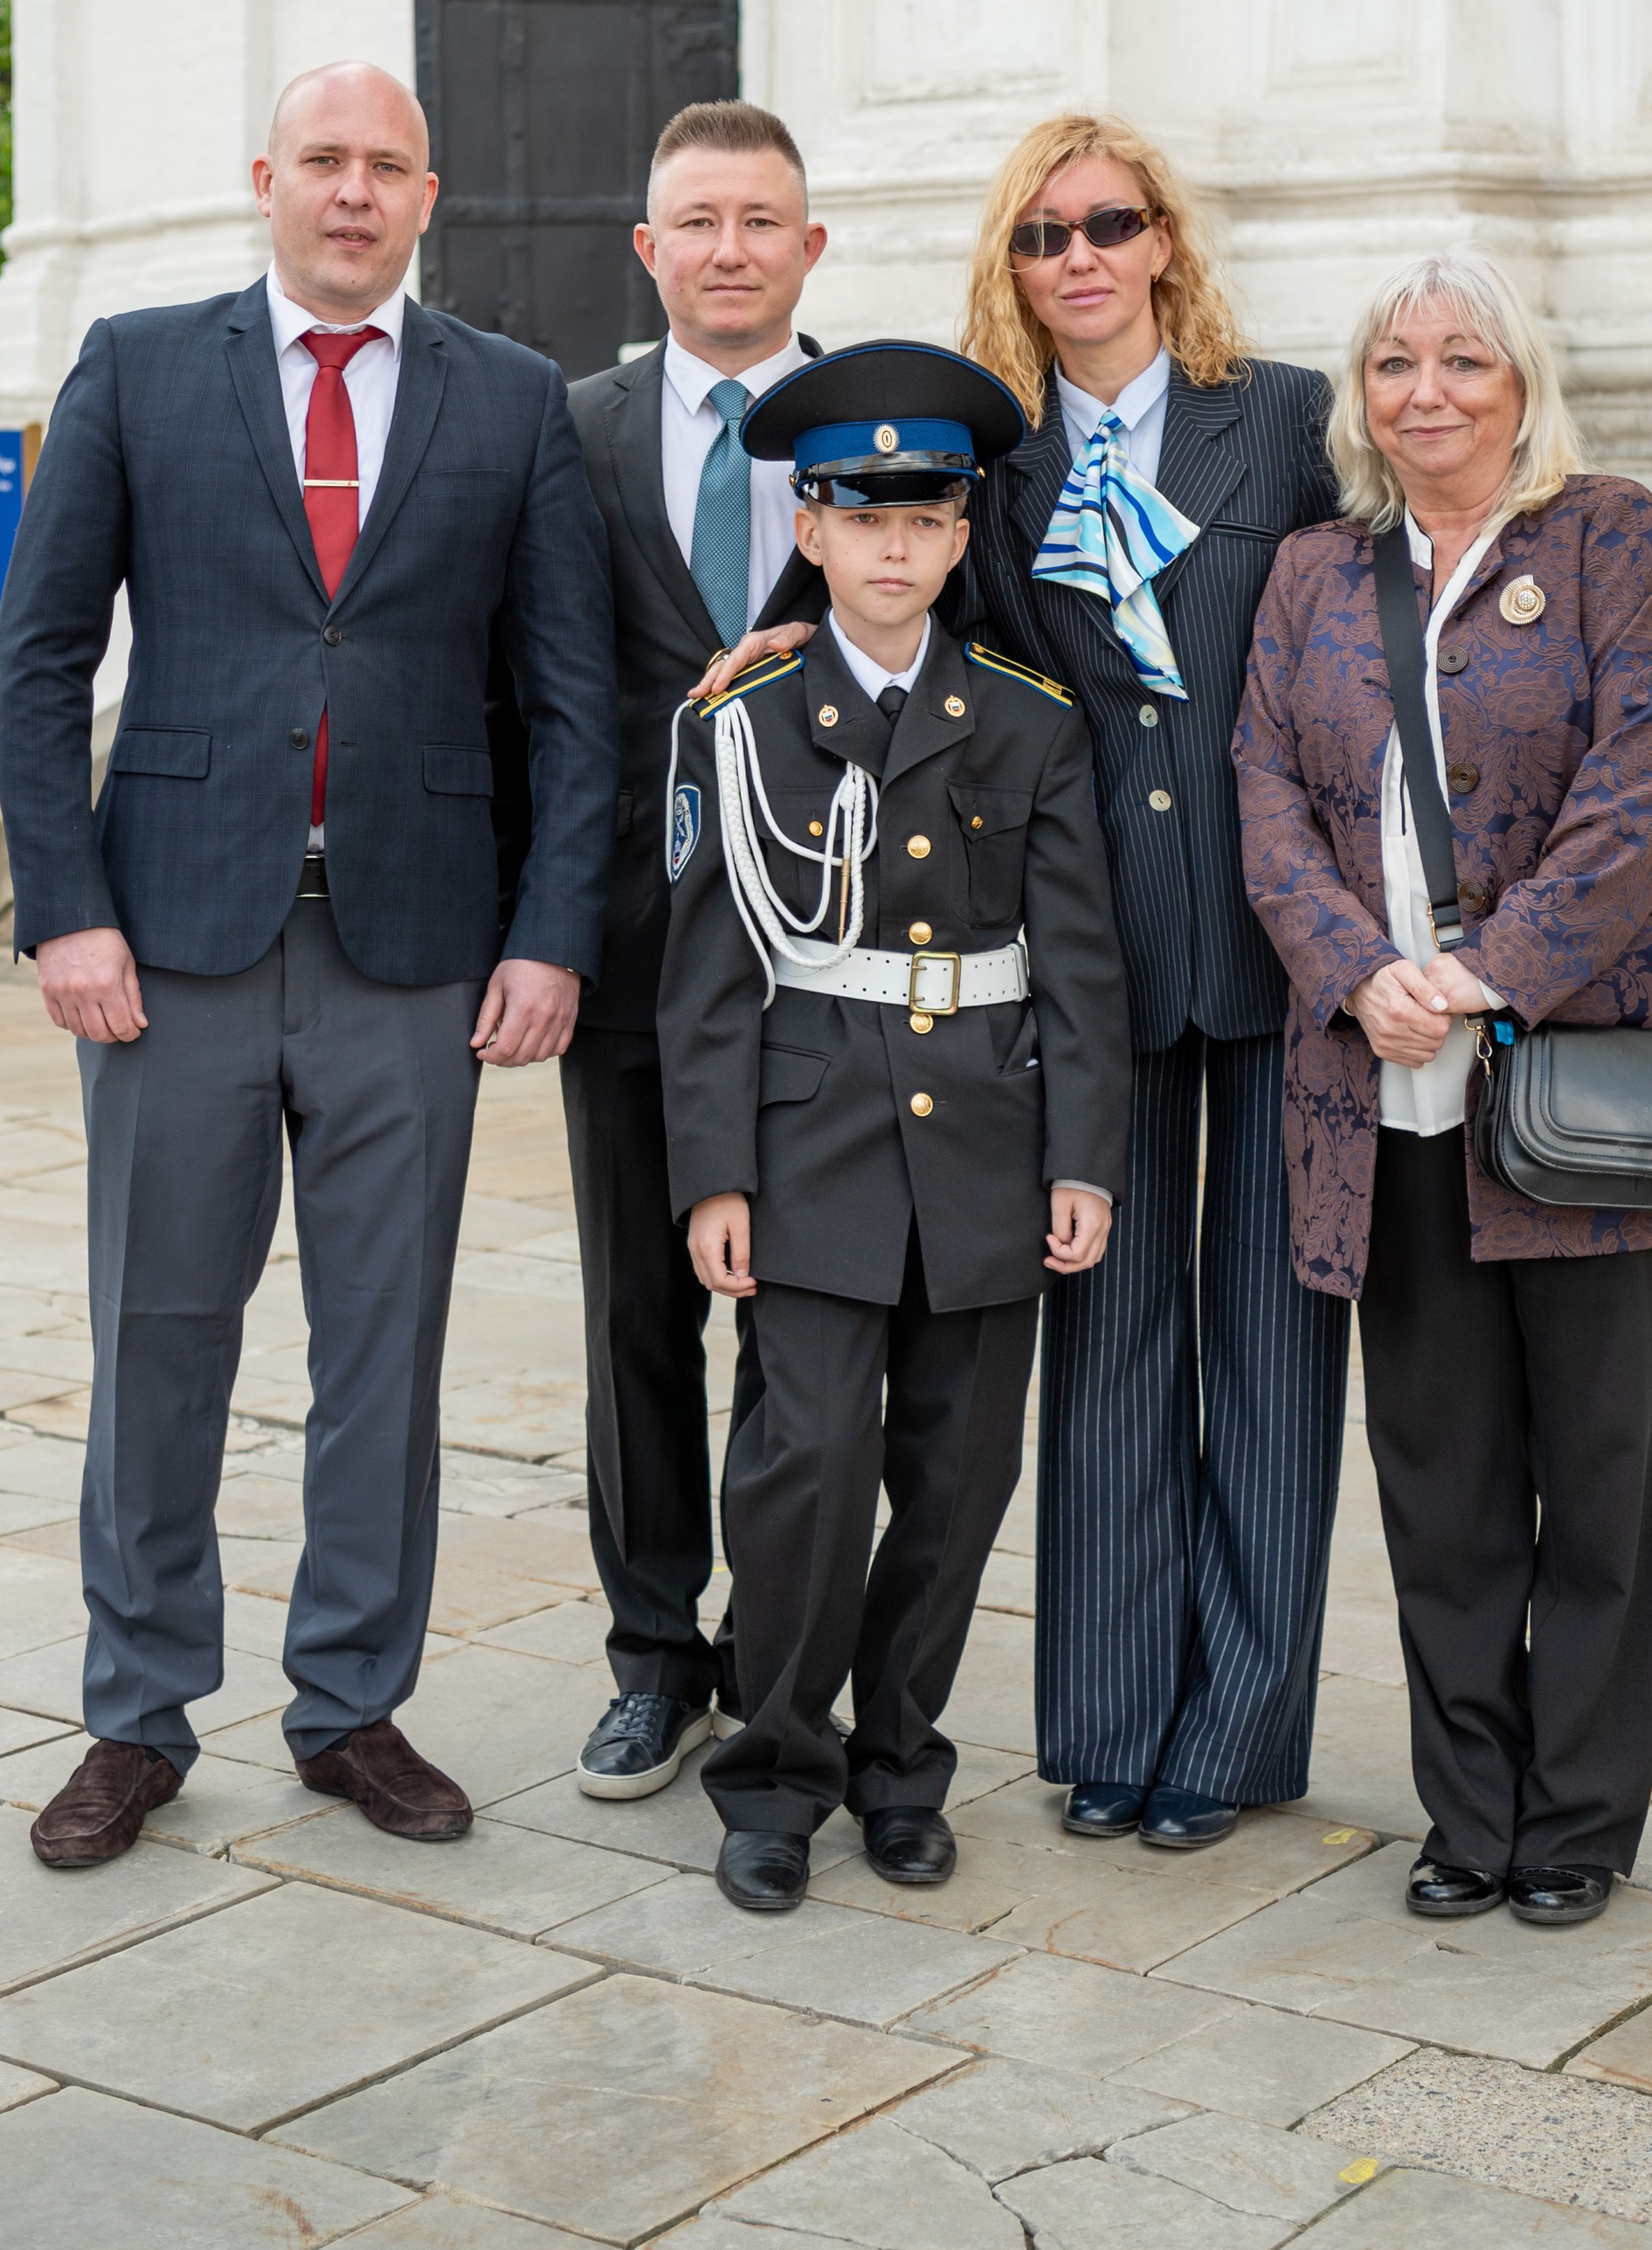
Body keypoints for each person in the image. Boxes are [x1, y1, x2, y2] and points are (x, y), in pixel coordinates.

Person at [0, 61, 616, 1871]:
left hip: (413, 952)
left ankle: (348, 1700)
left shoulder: (510, 403)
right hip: (167, 941)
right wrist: (64, 904)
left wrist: (548, 931)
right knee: (157, 1339)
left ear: (432, 196)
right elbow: (38, 659)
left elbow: (572, 706)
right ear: (265, 177)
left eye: (387, 167)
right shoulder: (137, 365)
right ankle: (135, 1715)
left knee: (382, 1351)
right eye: (322, 161)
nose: (352, 192)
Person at [1234, 252, 1652, 1928]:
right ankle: (1468, 1810)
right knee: (1441, 1474)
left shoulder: (1605, 531)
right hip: (1386, 1091)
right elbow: (1264, 789)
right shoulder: (1315, 570)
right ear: (1360, 397)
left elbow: (1640, 791)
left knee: (1600, 1472)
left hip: (1579, 1087)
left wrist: (1479, 971)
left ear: (1521, 381)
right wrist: (1355, 967)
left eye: (1465, 358)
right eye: (1395, 362)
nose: (1429, 391)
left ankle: (1582, 1823)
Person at [661, 345, 1130, 1913]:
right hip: (811, 1148)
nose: (891, 546)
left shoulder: (1025, 719)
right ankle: (775, 1773)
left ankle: (902, 1760)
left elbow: (1078, 961)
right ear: (808, 528)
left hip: (988, 1148)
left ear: (957, 533)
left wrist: (1085, 1154)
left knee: (958, 1474)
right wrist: (713, 1174)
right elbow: (713, 975)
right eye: (859, 516)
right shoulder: (752, 723)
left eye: (923, 517)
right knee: (801, 1470)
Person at [948, 114, 1348, 1852]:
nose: (1081, 255)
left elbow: (1358, 645)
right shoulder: (986, 462)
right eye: (1044, 234)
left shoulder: (1276, 417)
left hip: (1277, 942)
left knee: (1271, 1345)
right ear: (1010, 266)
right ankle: (1111, 1714)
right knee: (1104, 1336)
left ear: (1166, 240)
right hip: (1083, 959)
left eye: (1112, 222)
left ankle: (1237, 1727)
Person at [562, 101, 829, 1798]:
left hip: (831, 957)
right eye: (696, 220)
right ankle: (653, 1653)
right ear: (647, 248)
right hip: (627, 951)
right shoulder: (562, 425)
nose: (728, 246)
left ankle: (780, 1653)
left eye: (760, 218)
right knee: (637, 1315)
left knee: (799, 1325)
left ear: (810, 244)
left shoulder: (881, 419)